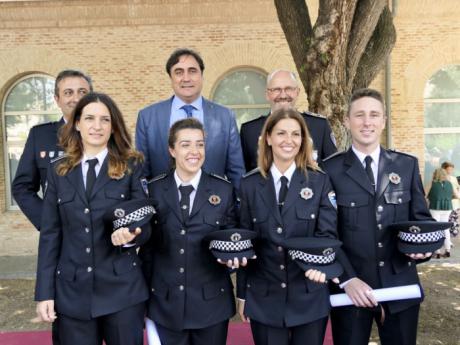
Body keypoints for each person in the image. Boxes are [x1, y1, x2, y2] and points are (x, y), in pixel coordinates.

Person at [34, 92, 150, 345]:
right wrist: (44, 293)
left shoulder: (131, 165)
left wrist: (132, 235)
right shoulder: (58, 171)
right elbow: (51, 234)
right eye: (89, 118)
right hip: (72, 293)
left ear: (113, 125)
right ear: (76, 123)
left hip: (122, 291)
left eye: (104, 120)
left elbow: (145, 221)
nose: (97, 126)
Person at [323, 88, 434, 345]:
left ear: (383, 121)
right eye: (359, 115)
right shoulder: (330, 170)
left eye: (374, 115)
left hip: (400, 285)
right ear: (347, 121)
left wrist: (422, 249)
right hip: (351, 290)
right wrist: (347, 279)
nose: (367, 122)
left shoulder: (405, 165)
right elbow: (326, 234)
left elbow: (422, 221)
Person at [237, 109, 339, 345]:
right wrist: (242, 293)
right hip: (264, 298)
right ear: (268, 138)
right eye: (281, 133)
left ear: (303, 140)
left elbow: (327, 235)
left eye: (296, 134)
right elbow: (244, 242)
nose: (289, 140)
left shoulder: (319, 181)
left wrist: (319, 266)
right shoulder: (249, 184)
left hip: (309, 294)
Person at [144, 118, 237, 345]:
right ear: (172, 150)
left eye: (200, 144)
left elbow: (232, 236)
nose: (194, 151)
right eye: (185, 144)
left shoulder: (223, 189)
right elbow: (146, 248)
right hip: (165, 304)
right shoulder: (153, 189)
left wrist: (233, 259)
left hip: (212, 304)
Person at [135, 48, 245, 187]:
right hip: (162, 205)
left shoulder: (225, 117)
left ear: (201, 76)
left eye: (192, 71)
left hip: (214, 204)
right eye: (179, 72)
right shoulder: (147, 117)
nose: (186, 78)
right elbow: (141, 173)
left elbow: (236, 171)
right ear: (171, 78)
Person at [12, 69, 93, 231]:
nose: (76, 98)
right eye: (68, 93)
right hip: (59, 239)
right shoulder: (40, 136)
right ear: (57, 99)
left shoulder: (109, 134)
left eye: (82, 92)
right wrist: (48, 222)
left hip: (102, 235)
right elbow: (22, 187)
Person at [239, 69, 336, 171]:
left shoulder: (320, 126)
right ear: (267, 94)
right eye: (276, 89)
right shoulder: (249, 131)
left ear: (297, 92)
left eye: (288, 89)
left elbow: (334, 170)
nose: (283, 95)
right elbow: (243, 175)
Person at [427, 168, 456, 258]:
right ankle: (447, 250)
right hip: (447, 208)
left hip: (435, 207)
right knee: (445, 229)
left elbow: (423, 194)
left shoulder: (432, 183)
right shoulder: (450, 184)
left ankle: (437, 251)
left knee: (435, 228)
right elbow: (456, 194)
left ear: (435, 174)